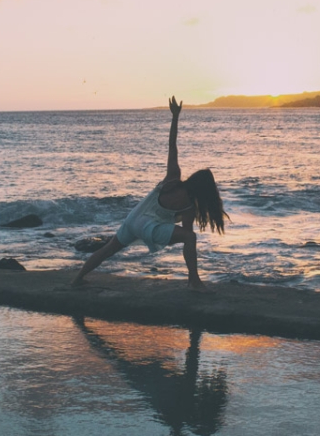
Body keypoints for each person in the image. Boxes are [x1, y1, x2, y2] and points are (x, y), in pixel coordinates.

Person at [70, 96, 227, 291]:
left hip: (133, 219)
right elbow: (187, 236)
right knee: (190, 238)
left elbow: (172, 146)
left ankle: (77, 279)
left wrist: (175, 117)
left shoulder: (172, 179)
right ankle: (193, 281)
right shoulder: (189, 207)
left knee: (108, 249)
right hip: (147, 227)